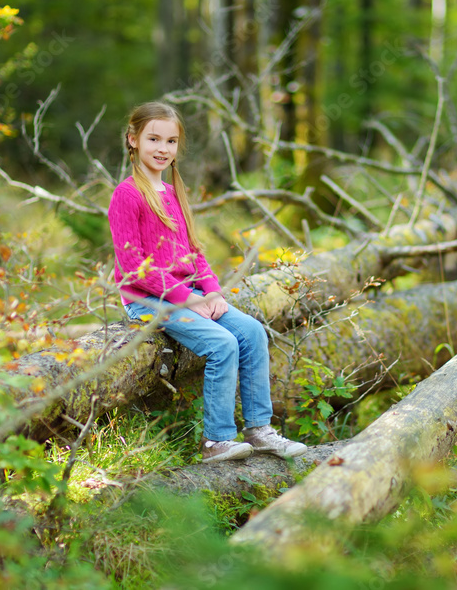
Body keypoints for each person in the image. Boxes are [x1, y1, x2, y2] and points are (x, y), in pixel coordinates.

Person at [108, 101, 308, 464]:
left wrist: (211, 290)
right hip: (148, 299)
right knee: (222, 343)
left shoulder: (173, 193)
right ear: (133, 139)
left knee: (251, 332)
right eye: (153, 139)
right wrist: (187, 297)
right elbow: (134, 266)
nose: (162, 149)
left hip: (190, 293)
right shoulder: (127, 194)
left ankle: (260, 429)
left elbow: (194, 252)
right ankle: (216, 440)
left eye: (170, 142)